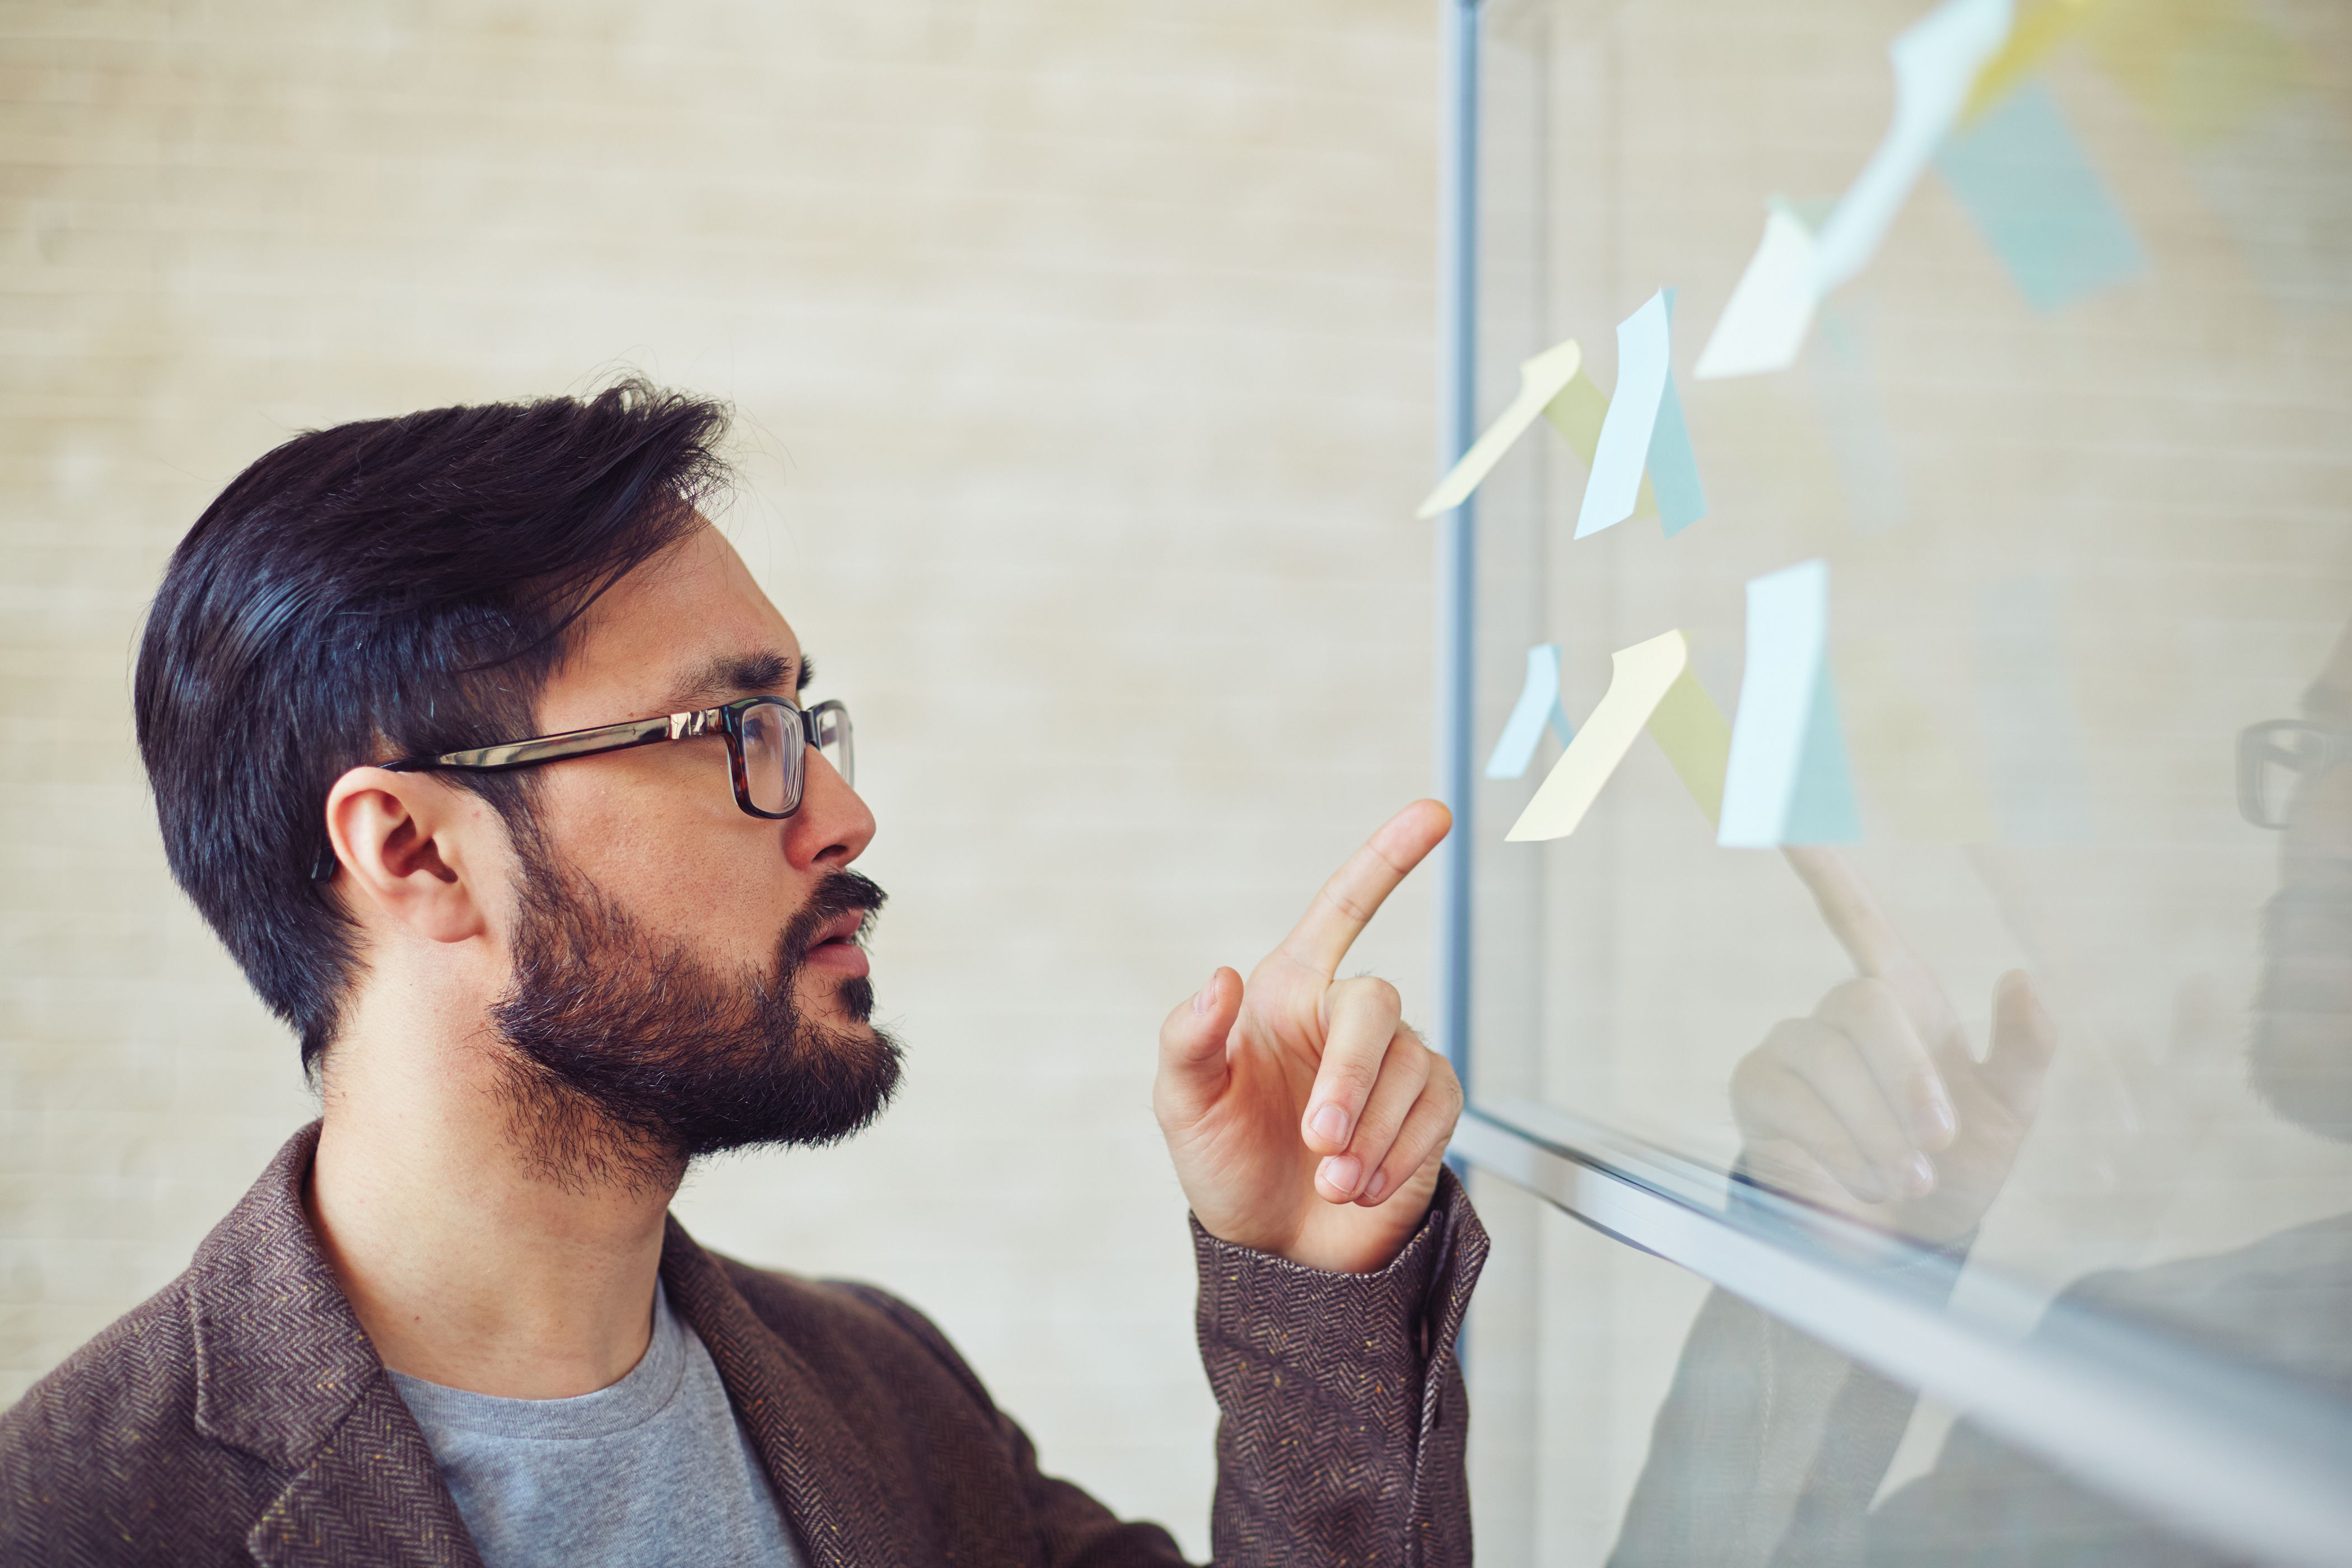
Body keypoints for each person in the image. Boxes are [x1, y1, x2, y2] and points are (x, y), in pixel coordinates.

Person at [0, 382, 1485, 1567]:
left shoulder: (888, 1397)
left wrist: (1310, 1282)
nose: (841, 816)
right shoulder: (73, 1521)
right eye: (733, 739)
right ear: (418, 851)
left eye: (806, 725)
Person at [1609, 625, 2352, 1565]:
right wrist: (1829, 1274)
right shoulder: (2162, 1350)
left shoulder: (2184, 1362)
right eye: (2326, 748)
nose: (2325, 826)